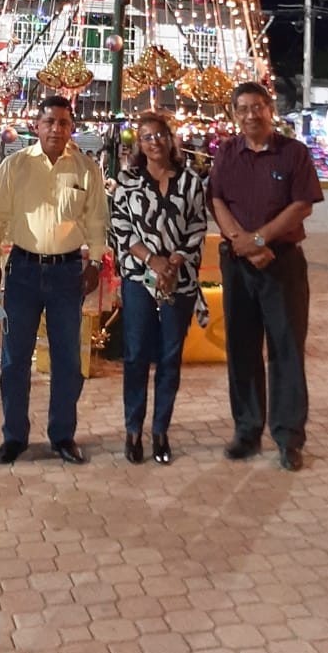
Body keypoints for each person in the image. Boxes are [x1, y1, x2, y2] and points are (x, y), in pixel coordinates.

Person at [207, 81, 323, 472]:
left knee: (286, 350)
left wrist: (259, 239)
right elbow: (216, 199)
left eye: (257, 107)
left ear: (269, 110)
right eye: (242, 108)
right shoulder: (226, 152)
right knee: (241, 348)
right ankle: (247, 430)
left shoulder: (293, 153)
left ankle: (289, 437)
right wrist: (241, 243)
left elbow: (302, 205)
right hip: (238, 266)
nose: (251, 115)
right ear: (234, 114)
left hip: (282, 263)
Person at [0, 95, 108, 465]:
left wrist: (95, 262)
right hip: (22, 272)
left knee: (68, 360)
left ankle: (62, 435)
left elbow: (97, 220)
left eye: (63, 123)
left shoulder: (86, 169)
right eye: (49, 122)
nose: (56, 129)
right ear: (35, 126)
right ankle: (14, 437)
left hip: (68, 273)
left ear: (72, 127)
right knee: (14, 360)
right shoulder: (15, 166)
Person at [110, 111, 207, 465]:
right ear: (139, 143)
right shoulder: (128, 180)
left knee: (170, 357)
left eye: (160, 135)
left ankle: (160, 430)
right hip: (140, 279)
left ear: (171, 138)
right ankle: (133, 429)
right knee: (136, 354)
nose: (154, 142)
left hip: (179, 280)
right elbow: (120, 226)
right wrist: (152, 260)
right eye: (147, 137)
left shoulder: (190, 180)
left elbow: (197, 226)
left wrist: (174, 262)